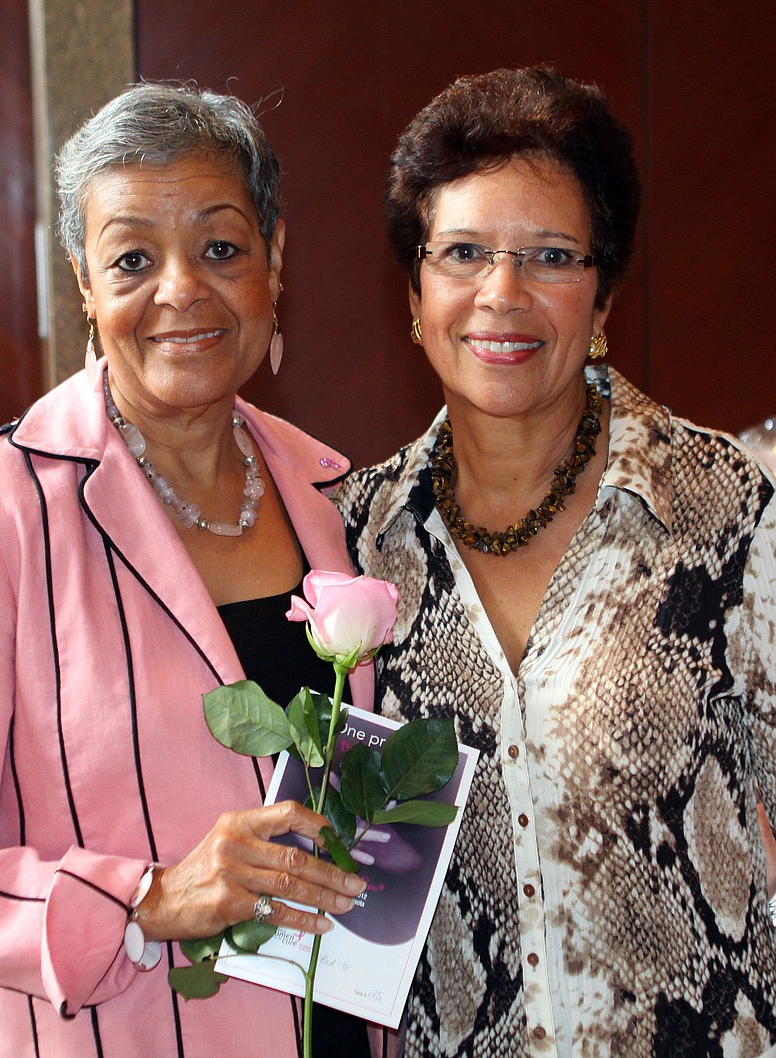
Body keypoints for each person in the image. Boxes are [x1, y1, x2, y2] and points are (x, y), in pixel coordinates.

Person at [336, 66, 776, 1057]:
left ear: (603, 293)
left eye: (548, 255)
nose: (502, 293)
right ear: (414, 295)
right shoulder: (354, 537)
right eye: (462, 253)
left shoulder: (721, 509)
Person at [0, 83, 373, 1058]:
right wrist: (147, 895)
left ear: (274, 260)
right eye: (133, 258)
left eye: (221, 247)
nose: (181, 290)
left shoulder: (338, 495)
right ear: (85, 284)